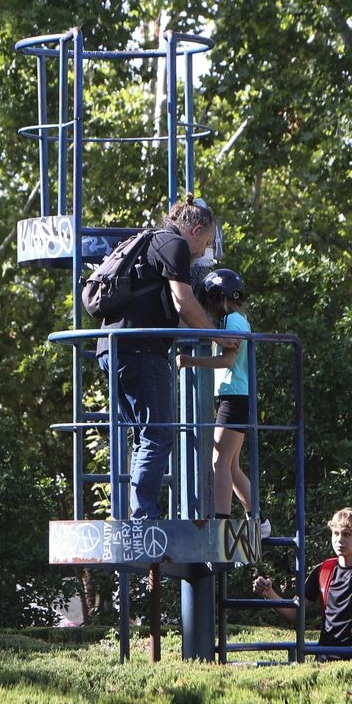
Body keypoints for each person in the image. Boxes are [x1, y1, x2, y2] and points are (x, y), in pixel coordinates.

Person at [97, 196, 215, 520]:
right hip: (141, 352)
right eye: (205, 243)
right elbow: (183, 302)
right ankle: (143, 519)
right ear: (196, 229)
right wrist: (218, 335)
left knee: (146, 436)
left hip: (112, 350)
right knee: (159, 434)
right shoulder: (174, 244)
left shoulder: (150, 241)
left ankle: (140, 514)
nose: (203, 252)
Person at [174, 268, 267, 537]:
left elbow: (227, 360)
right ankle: (259, 521)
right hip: (238, 397)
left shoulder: (232, 322)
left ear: (219, 300)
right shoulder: (239, 320)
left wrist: (192, 361)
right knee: (231, 465)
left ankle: (222, 523)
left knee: (220, 463)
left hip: (235, 397)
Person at [253, 508, 352, 653]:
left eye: (347, 534)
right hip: (325, 658)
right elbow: (294, 613)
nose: (339, 539)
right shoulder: (322, 571)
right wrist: (269, 593)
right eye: (336, 534)